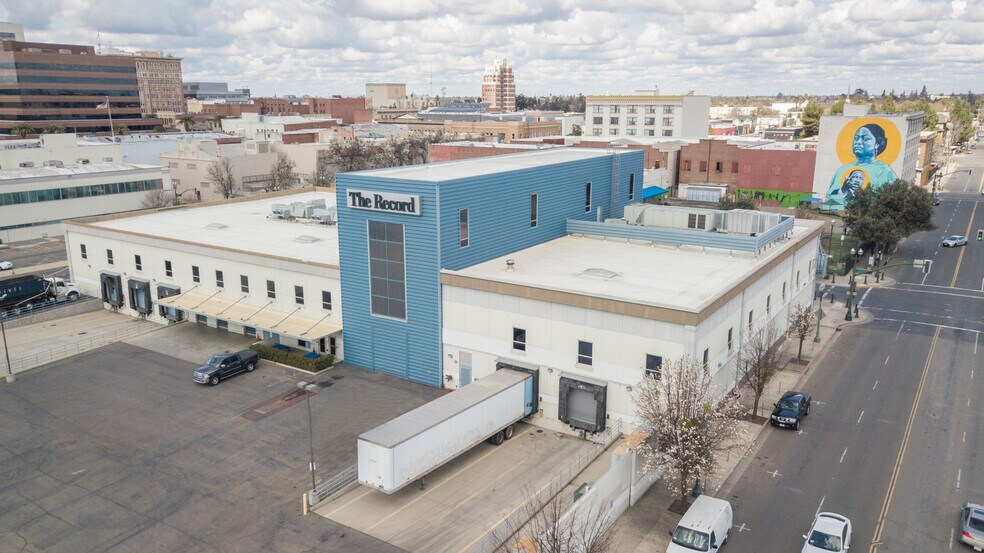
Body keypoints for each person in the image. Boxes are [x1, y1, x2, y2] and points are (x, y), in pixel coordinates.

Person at [824, 123, 898, 209]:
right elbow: (828, 200)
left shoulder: (884, 171)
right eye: (856, 138)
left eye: (866, 138)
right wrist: (843, 191)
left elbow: (890, 203)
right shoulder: (842, 170)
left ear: (877, 144)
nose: (858, 142)